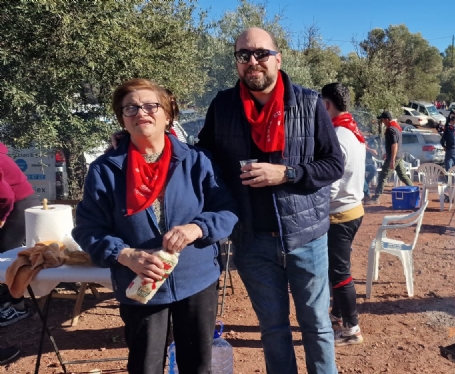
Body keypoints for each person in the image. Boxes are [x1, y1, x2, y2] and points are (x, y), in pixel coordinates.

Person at [196, 28, 344, 374]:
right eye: (243, 55)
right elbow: (202, 156)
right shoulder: (223, 106)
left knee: (317, 326)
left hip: (306, 237)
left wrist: (286, 173)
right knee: (273, 329)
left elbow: (333, 164)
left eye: (261, 53)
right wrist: (149, 142)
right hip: (251, 239)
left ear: (278, 58)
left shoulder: (308, 104)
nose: (252, 61)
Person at [73, 78, 239, 374]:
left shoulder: (197, 160)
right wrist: (125, 255)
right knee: (145, 366)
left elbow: (226, 209)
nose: (141, 113)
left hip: (196, 279)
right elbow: (88, 229)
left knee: (198, 365)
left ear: (168, 114)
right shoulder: (106, 170)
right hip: (140, 285)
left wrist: (197, 228)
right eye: (130, 108)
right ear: (122, 119)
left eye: (151, 106)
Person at [320, 83, 366, 346]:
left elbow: (331, 181)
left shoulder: (338, 134)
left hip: (340, 214)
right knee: (337, 269)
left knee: (339, 273)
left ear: (327, 105)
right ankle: (337, 315)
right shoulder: (352, 130)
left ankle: (351, 329)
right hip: (353, 209)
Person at [0, 141, 37, 326]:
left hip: (19, 205)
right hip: (15, 203)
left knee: (7, 256)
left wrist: (2, 217)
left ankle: (18, 307)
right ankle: (7, 300)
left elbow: (5, 195)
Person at [371, 111, 412, 203]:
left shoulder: (390, 129)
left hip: (394, 156)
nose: (382, 122)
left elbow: (394, 145)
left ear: (386, 119)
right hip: (399, 155)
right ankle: (414, 190)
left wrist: (392, 160)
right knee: (403, 176)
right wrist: (388, 152)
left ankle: (376, 197)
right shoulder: (396, 127)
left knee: (383, 176)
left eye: (382, 119)